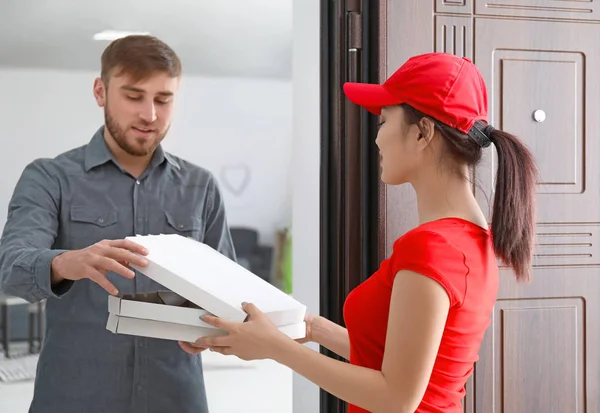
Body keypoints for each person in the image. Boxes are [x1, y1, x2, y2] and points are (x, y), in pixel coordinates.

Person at [180, 52, 538, 412]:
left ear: (423, 132)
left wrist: (275, 348)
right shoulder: (474, 238)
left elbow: (396, 397)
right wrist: (312, 328)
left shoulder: (432, 247)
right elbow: (403, 362)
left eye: (383, 122)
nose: (378, 139)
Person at [0, 35, 235, 413]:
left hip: (175, 398)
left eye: (163, 99)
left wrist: (225, 326)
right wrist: (65, 262)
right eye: (133, 96)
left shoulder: (201, 186)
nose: (150, 115)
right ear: (100, 91)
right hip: (74, 398)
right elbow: (11, 268)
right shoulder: (49, 177)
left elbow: (226, 289)